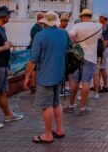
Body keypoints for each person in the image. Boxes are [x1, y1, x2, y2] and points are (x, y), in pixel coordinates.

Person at [24, 11, 68, 143]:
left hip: (45, 75)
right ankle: (59, 129)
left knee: (46, 105)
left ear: (44, 23)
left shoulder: (40, 36)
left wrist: (27, 77)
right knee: (56, 102)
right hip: (59, 73)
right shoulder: (64, 34)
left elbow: (32, 60)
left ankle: (48, 135)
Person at [64, 9, 102, 116]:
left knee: (75, 81)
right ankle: (82, 108)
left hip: (78, 56)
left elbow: (70, 35)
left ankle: (71, 105)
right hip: (90, 57)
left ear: (82, 16)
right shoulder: (98, 26)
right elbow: (98, 39)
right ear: (90, 16)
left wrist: (76, 42)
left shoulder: (77, 26)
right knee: (86, 82)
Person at [0, 6, 24, 129]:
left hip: (2, 65)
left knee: (2, 92)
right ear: (3, 16)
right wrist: (4, 47)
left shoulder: (1, 29)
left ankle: (8, 115)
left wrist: (5, 45)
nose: (9, 17)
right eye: (8, 15)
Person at [93, 13, 108, 95]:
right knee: (99, 68)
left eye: (100, 17)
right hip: (103, 49)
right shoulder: (102, 26)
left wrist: (100, 50)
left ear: (104, 18)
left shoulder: (106, 27)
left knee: (102, 68)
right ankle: (98, 85)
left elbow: (106, 41)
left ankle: (105, 86)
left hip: (104, 49)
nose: (99, 18)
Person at [28, 12, 45, 94]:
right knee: (34, 69)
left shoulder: (38, 27)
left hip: (36, 50)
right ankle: (33, 86)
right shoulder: (36, 28)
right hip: (35, 50)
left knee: (35, 69)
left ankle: (34, 86)